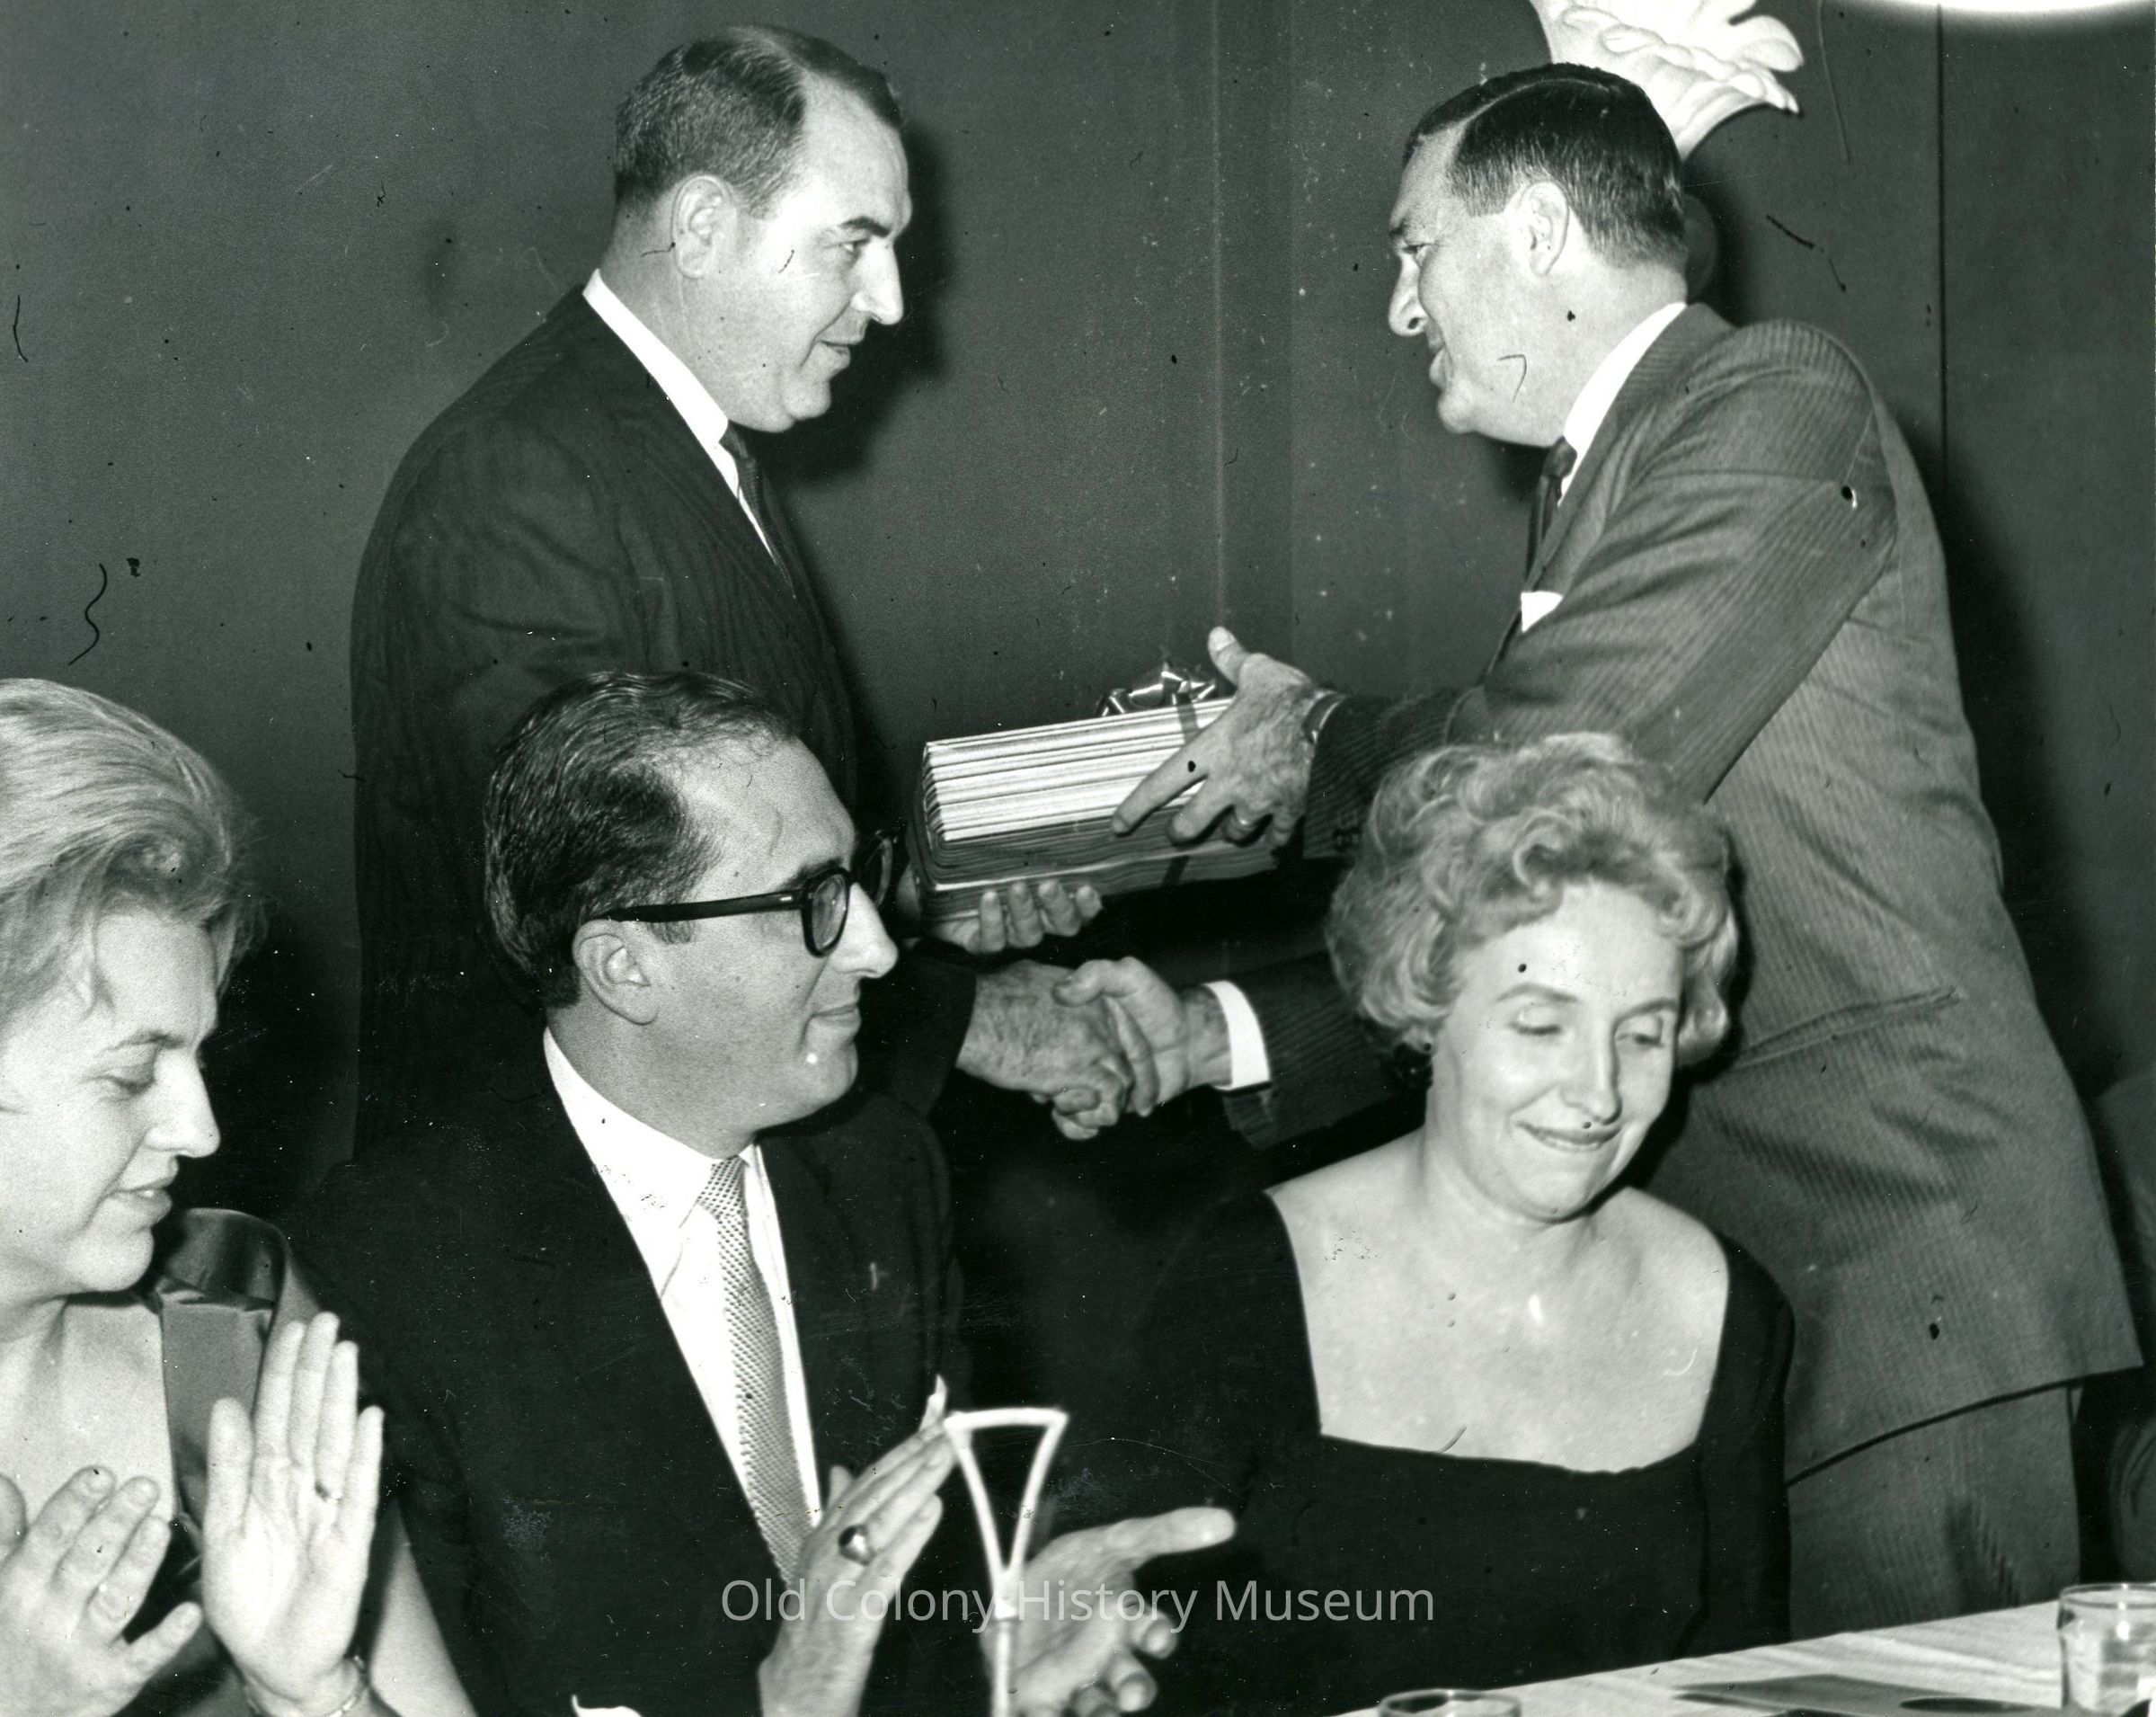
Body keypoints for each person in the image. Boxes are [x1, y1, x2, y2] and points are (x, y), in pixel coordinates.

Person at [1092, 64, 2137, 1632]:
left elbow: (1547, 774)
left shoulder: (1772, 393)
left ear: (1530, 233)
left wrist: (1312, 739)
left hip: (1894, 1257)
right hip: (1771, 1270)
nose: (1398, 307)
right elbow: (1532, 913)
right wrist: (1217, 1033)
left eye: (1412, 250)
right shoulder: (1604, 474)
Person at [289, 672, 1231, 1717]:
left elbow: (917, 1612)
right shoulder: (386, 1273)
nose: (877, 947)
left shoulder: (878, 1166)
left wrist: (999, 1647)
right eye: (810, 902)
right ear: (624, 966)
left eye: (861, 877)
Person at [349, 26, 1149, 1156]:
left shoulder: (675, 445)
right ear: (702, 226)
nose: (889, 302)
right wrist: (963, 1018)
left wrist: (922, 911)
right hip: (557, 1189)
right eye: (852, 244)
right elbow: (620, 897)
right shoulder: (516, 478)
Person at [1090, 736, 1788, 1715]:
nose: (1596, 1092)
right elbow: (1086, 1623)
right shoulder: (1255, 1273)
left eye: (1640, 1034)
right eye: (1539, 1025)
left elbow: (1740, 1687)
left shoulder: (1719, 1302)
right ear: (1423, 1007)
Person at [0, 678, 471, 1717]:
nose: (201, 1130)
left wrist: (318, 1690)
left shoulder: (232, 1312)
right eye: (132, 1074)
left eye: (199, 1058)